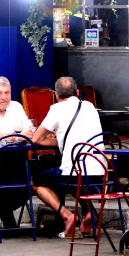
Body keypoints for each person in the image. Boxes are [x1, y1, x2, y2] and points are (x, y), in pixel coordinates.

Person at [30, 76, 103, 238]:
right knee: (81, 177)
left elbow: (37, 139)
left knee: (36, 181)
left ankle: (66, 215)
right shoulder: (90, 106)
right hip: (100, 172)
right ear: (77, 92)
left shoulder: (57, 109)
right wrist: (64, 141)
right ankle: (87, 215)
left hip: (74, 173)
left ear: (56, 95)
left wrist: (58, 142)